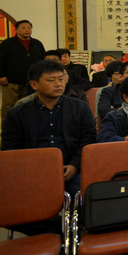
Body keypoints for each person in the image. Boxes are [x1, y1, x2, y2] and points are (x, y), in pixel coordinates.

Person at [1, 60, 96, 196]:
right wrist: (28, 169)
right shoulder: (17, 113)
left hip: (71, 169)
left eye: (61, 79)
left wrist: (75, 165)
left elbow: (89, 139)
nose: (58, 84)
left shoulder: (80, 108)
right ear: (34, 84)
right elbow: (10, 149)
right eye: (51, 80)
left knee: (86, 192)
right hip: (30, 170)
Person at [0, 19, 46, 120]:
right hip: (11, 81)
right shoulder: (8, 43)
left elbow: (43, 60)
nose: (27, 30)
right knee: (9, 106)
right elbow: (1, 60)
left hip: (31, 81)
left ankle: (25, 131)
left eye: (29, 28)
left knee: (28, 105)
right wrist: (2, 75)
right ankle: (7, 130)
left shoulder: (37, 43)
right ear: (16, 30)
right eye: (23, 28)